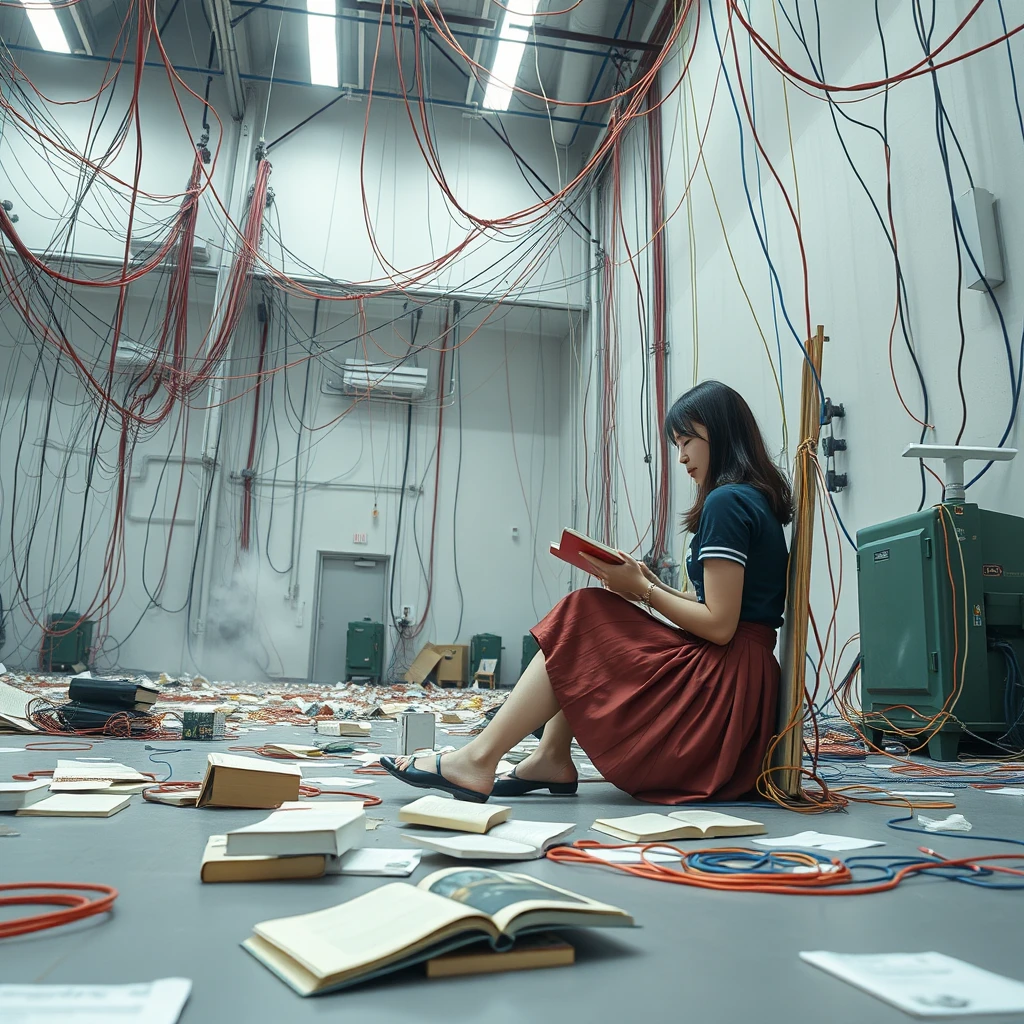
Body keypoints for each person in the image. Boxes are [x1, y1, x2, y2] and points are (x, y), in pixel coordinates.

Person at [382, 380, 792, 805]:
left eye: (689, 440)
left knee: (584, 613)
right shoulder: (749, 498)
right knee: (590, 618)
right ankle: (550, 755)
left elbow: (721, 626)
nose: (683, 456)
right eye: (677, 444)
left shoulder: (726, 502)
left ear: (722, 435)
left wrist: (646, 594)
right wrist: (646, 583)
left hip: (722, 684)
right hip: (742, 679)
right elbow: (723, 610)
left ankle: (480, 759)